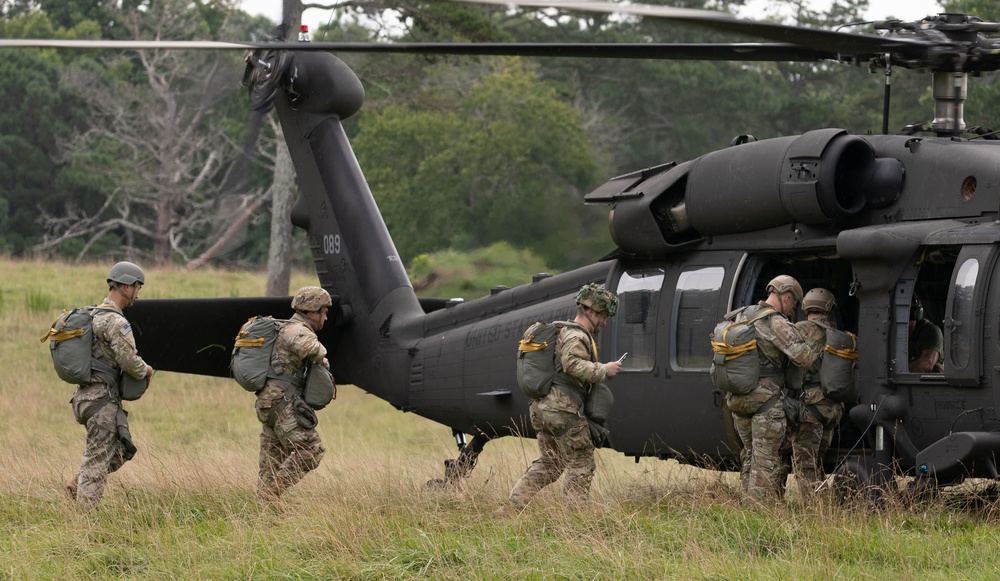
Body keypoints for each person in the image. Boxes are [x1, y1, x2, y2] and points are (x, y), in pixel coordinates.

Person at [502, 283, 622, 512]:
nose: (605, 322)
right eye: (604, 316)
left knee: (551, 462)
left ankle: (511, 508)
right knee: (581, 461)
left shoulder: (561, 330)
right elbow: (572, 365)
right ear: (592, 312)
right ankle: (574, 516)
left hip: (542, 408)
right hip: (561, 410)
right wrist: (604, 369)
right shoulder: (576, 335)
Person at [66, 261, 154, 509]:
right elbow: (129, 362)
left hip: (84, 398)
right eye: (137, 286)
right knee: (97, 462)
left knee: (121, 450)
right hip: (102, 401)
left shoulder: (93, 315)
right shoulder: (116, 322)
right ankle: (86, 523)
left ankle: (78, 482)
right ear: (126, 286)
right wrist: (146, 370)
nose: (138, 293)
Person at [727, 275, 814, 503]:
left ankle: (747, 505)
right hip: (765, 402)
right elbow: (804, 358)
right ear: (786, 298)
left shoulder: (740, 316)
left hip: (738, 398)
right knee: (765, 460)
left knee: (750, 454)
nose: (793, 308)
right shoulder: (776, 323)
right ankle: (758, 514)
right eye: (793, 304)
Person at [255, 286, 331, 502]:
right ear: (312, 311)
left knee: (272, 462)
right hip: (282, 401)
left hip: (270, 402)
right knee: (311, 451)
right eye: (324, 312)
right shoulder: (296, 329)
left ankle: (264, 510)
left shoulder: (286, 327)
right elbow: (311, 348)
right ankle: (270, 495)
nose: (325, 317)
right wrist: (322, 357)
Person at [789, 288, 844, 502]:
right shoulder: (838, 335)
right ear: (829, 309)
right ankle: (824, 505)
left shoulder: (801, 329)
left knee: (805, 465)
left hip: (811, 405)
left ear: (806, 307)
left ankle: (813, 511)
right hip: (832, 408)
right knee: (817, 460)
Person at [908, 295, 943, 373]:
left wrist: (897, 372)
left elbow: (926, 365)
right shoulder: (892, 333)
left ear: (914, 313)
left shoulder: (931, 331)